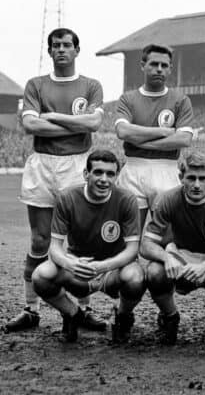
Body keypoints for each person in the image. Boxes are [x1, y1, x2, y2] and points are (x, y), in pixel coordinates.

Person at [4, 28, 106, 333]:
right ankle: (30, 309)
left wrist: (53, 118)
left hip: (78, 164)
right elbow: (30, 126)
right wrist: (75, 125)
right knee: (39, 239)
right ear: (49, 51)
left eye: (66, 45)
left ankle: (82, 310)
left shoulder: (91, 85)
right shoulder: (36, 84)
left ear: (77, 50)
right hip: (42, 163)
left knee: (79, 238)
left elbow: (95, 123)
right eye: (56, 46)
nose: (61, 50)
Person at [31, 150, 145, 343]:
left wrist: (104, 266)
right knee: (40, 276)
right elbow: (55, 247)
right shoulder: (67, 198)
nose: (104, 179)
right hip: (78, 267)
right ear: (86, 174)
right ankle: (73, 314)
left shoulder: (127, 199)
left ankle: (123, 316)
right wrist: (70, 264)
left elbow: (132, 249)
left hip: (113, 269)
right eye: (98, 172)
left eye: (110, 174)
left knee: (135, 277)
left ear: (117, 176)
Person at [141, 153, 205, 346]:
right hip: (183, 261)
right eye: (191, 178)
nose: (197, 184)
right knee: (155, 271)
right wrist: (167, 257)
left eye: (203, 178)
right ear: (181, 178)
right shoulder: (168, 199)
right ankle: (170, 317)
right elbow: (146, 245)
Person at [114, 44, 194, 231]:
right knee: (129, 234)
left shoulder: (180, 100)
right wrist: (162, 132)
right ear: (143, 65)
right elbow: (123, 132)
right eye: (154, 64)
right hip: (133, 168)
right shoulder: (128, 98)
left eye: (164, 65)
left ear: (170, 69)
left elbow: (184, 139)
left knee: (166, 235)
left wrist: (139, 140)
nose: (159, 69)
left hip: (166, 169)